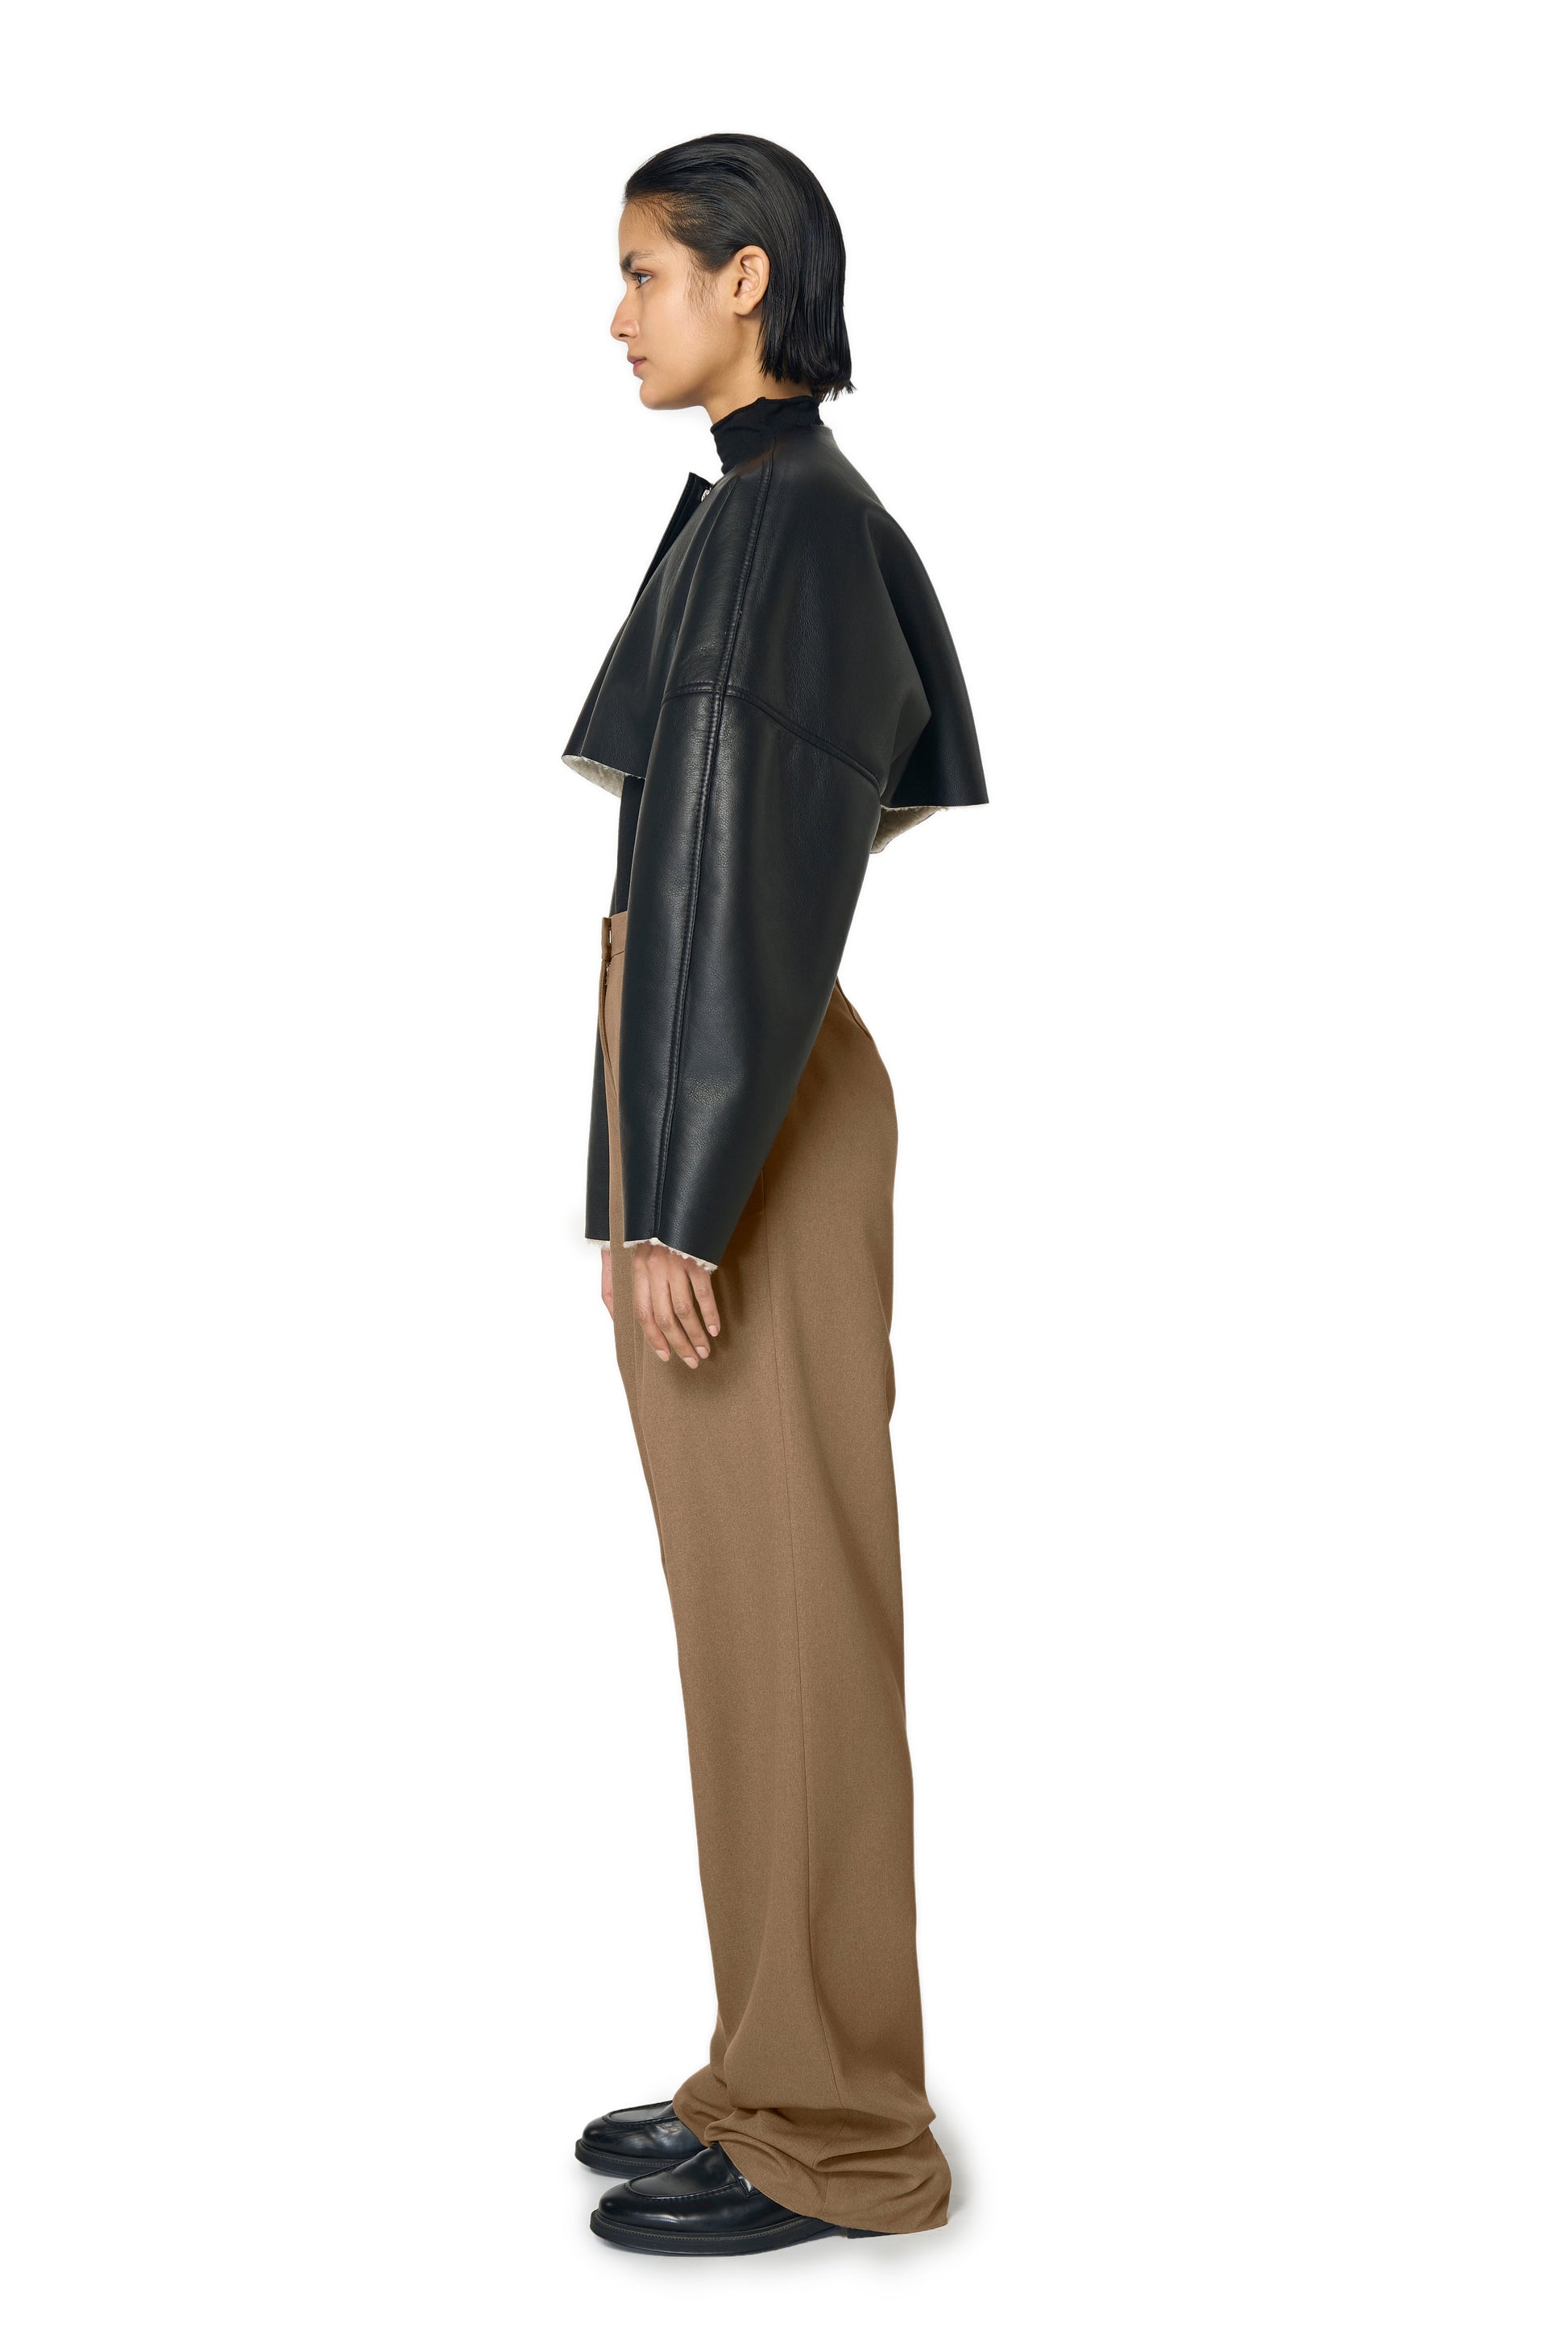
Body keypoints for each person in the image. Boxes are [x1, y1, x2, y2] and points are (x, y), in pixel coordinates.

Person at [563, 132, 988, 2257]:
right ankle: (765, 2068)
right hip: (722, 1100)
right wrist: (653, 1164)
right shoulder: (762, 517)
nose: (617, 314)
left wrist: (682, 1198)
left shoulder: (797, 527)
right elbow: (715, 861)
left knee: (796, 1618)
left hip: (744, 1125)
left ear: (746, 282)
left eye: (647, 272)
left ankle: (843, 2134)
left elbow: (754, 876)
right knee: (748, 1623)